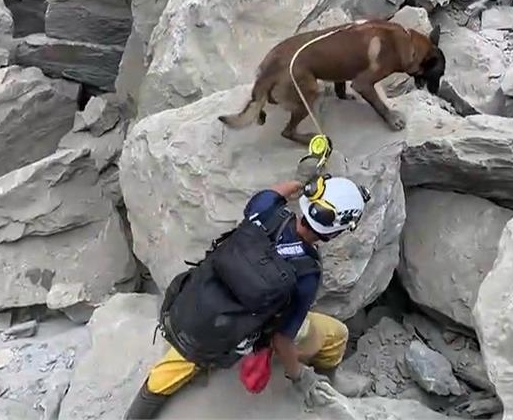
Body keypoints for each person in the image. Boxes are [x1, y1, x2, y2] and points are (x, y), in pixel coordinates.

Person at [125, 175, 373, 419]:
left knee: (166, 374)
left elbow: (277, 191)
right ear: (333, 233)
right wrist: (299, 375)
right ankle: (331, 380)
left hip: (200, 307)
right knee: (336, 334)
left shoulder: (265, 211)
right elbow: (282, 339)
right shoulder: (307, 273)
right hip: (238, 334)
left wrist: (302, 182)